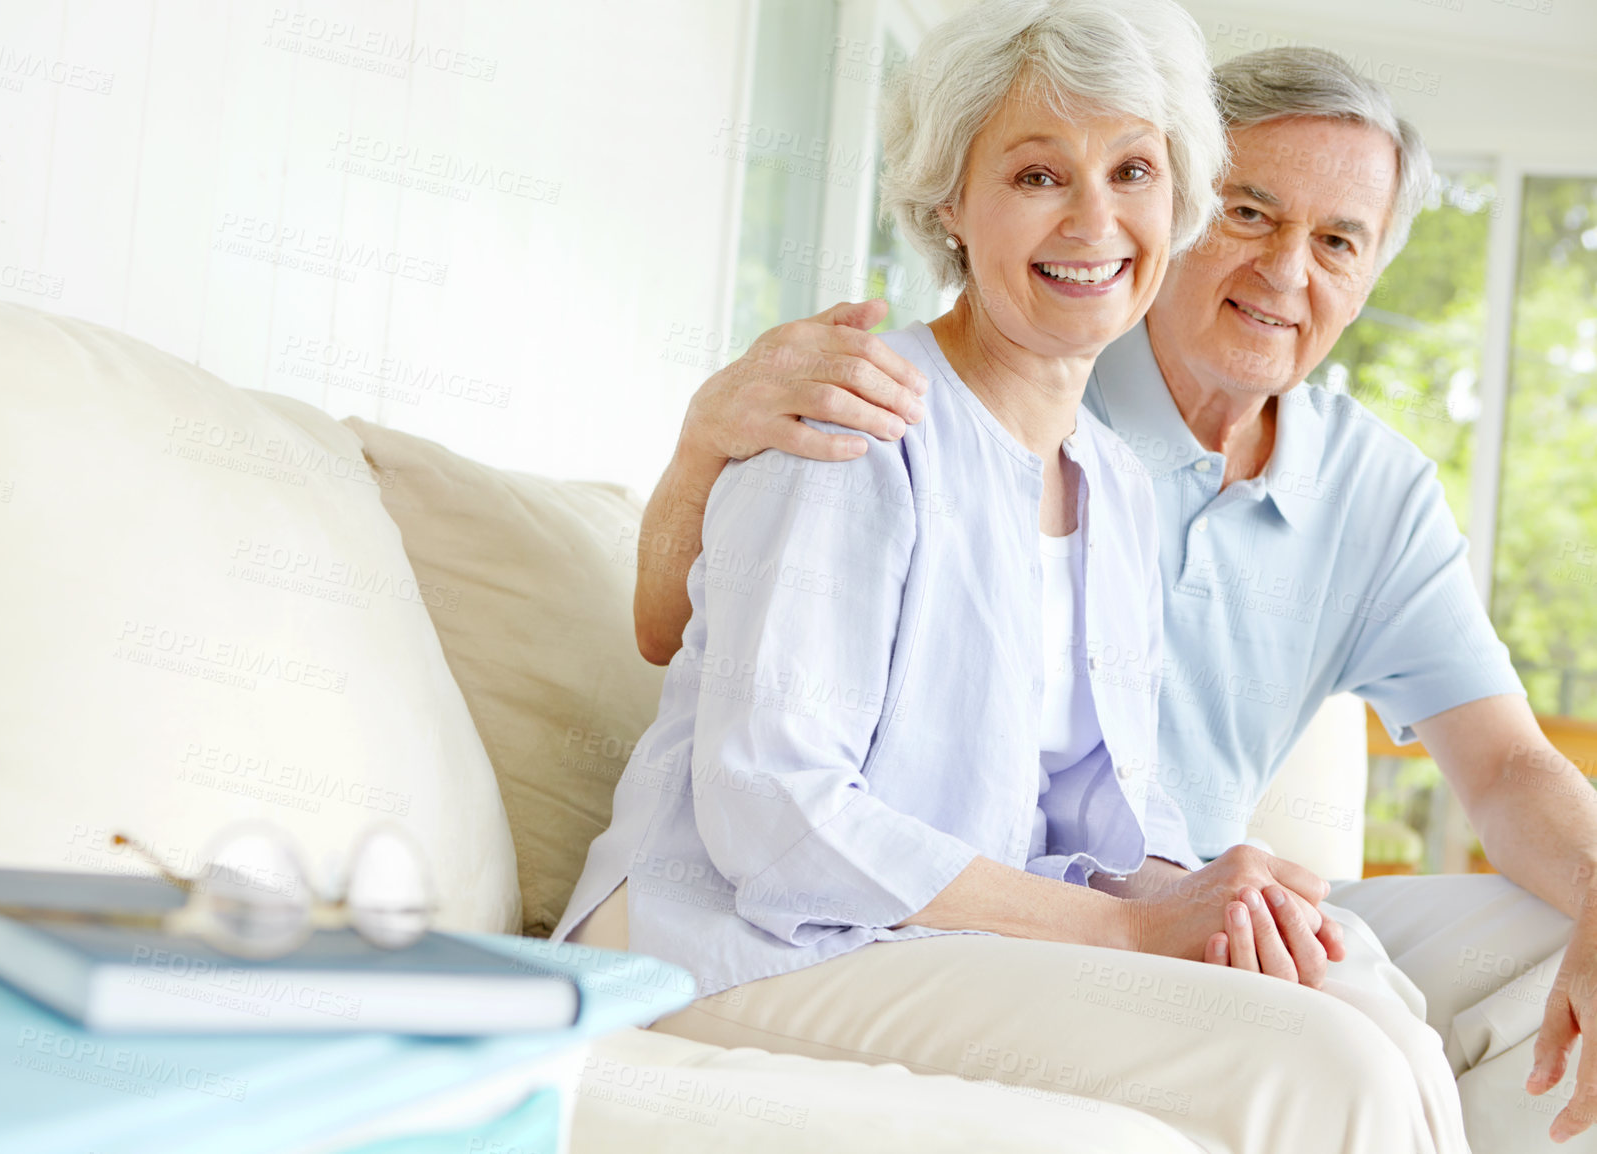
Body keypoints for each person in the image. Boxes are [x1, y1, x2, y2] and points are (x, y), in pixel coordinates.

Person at [635, 39, 1597, 1153]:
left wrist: (1216, 900)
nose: (1286, 273)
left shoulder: (1131, 477)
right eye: (1250, 212)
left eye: (1337, 241)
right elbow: (745, 745)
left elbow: (1502, 761)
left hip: (1075, 899)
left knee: (1423, 988)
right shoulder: (882, 404)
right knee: (1327, 1057)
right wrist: (700, 446)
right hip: (823, 923)